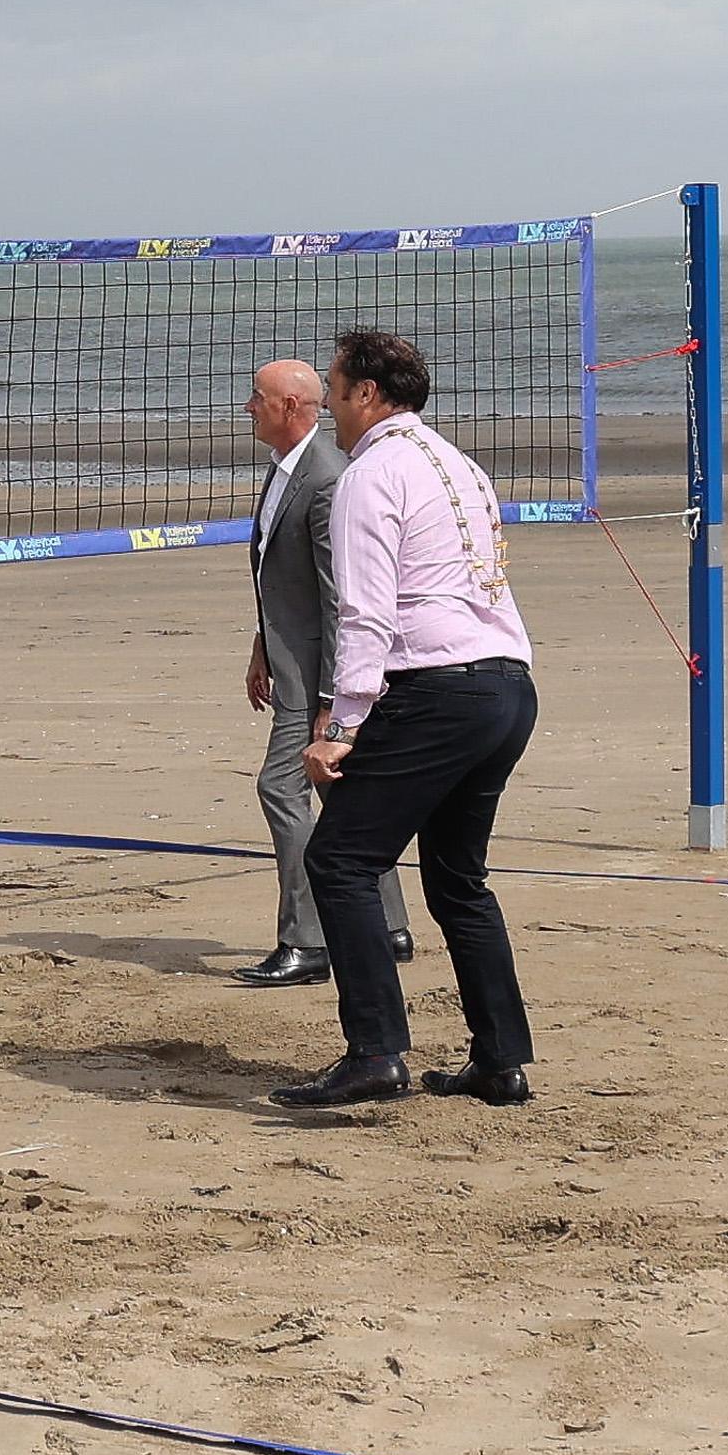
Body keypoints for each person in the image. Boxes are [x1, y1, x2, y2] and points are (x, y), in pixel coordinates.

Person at [272, 329, 542, 1112]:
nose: (328, 406)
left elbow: (364, 612)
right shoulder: (460, 463)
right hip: (506, 685)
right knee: (459, 883)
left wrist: (341, 724)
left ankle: (375, 1053)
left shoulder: (371, 475)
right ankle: (499, 1061)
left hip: (436, 688)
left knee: (341, 862)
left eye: (334, 388)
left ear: (365, 394)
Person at [233, 358, 410, 987]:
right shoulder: (286, 470)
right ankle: (388, 925)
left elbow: (344, 598)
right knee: (345, 793)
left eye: (256, 397)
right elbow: (282, 577)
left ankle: (307, 940)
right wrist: (262, 642)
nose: (247, 407)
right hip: (291, 659)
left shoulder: (327, 478)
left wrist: (334, 701)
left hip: (320, 676)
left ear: (290, 406)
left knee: (281, 790)